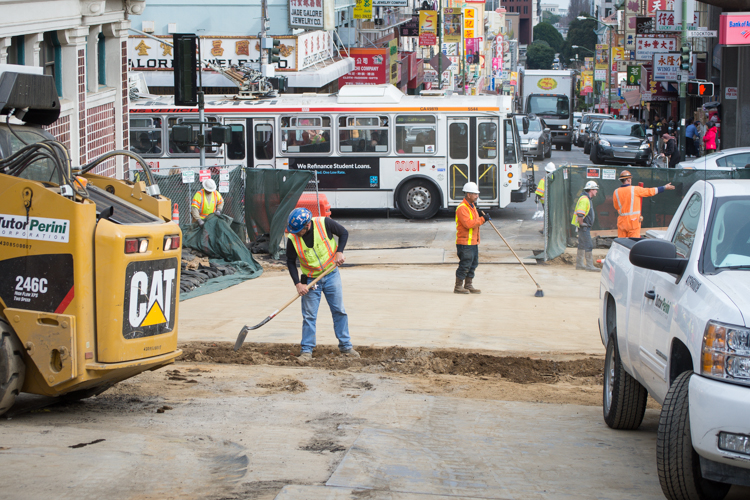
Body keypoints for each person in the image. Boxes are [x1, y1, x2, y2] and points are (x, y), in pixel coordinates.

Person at [286, 208, 359, 362]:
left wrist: (340, 251)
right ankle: (306, 350)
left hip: (331, 274)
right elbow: (290, 262)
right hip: (311, 279)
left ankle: (346, 346)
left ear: (307, 225)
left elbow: (344, 233)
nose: (296, 234)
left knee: (339, 310)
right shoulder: (293, 239)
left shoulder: (323, 223)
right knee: (309, 315)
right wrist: (298, 284)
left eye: (299, 230)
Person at [612, 170, 675, 238]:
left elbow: (616, 207)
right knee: (633, 243)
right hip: (633, 221)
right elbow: (650, 191)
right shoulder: (635, 189)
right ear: (628, 180)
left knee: (621, 243)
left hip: (622, 222)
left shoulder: (616, 192)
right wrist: (664, 187)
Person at [454, 182, 490, 294]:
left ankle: (468, 285)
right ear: (468, 194)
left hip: (473, 242)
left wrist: (479, 216)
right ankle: (458, 287)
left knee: (473, 264)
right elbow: (469, 224)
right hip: (465, 243)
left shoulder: (472, 207)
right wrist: (483, 219)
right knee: (465, 264)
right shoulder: (462, 208)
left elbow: (474, 221)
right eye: (475, 194)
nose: (477, 196)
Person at [571, 181, 599, 272]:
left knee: (582, 245)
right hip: (584, 227)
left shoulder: (586, 199)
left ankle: (579, 264)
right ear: (591, 189)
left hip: (583, 227)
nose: (596, 191)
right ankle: (589, 265)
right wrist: (582, 223)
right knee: (588, 245)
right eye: (595, 189)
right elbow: (580, 213)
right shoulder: (585, 199)